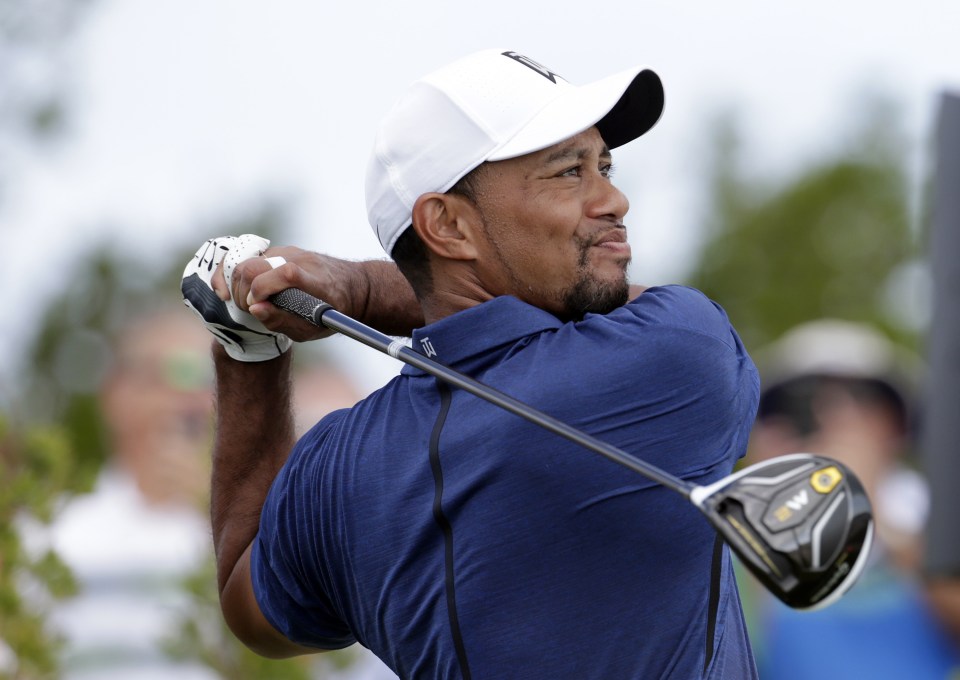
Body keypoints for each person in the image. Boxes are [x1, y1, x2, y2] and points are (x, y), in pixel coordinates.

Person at [181, 49, 760, 678]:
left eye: (605, 165)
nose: (614, 198)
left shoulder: (337, 471)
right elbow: (601, 305)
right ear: (449, 226)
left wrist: (247, 350)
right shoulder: (672, 352)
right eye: (569, 172)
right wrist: (357, 288)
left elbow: (251, 607)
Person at [743, 319, 960, 679]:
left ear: (898, 423)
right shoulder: (739, 538)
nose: (832, 417)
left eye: (861, 398)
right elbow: (743, 650)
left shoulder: (940, 513)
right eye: (805, 400)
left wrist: (872, 512)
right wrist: (761, 507)